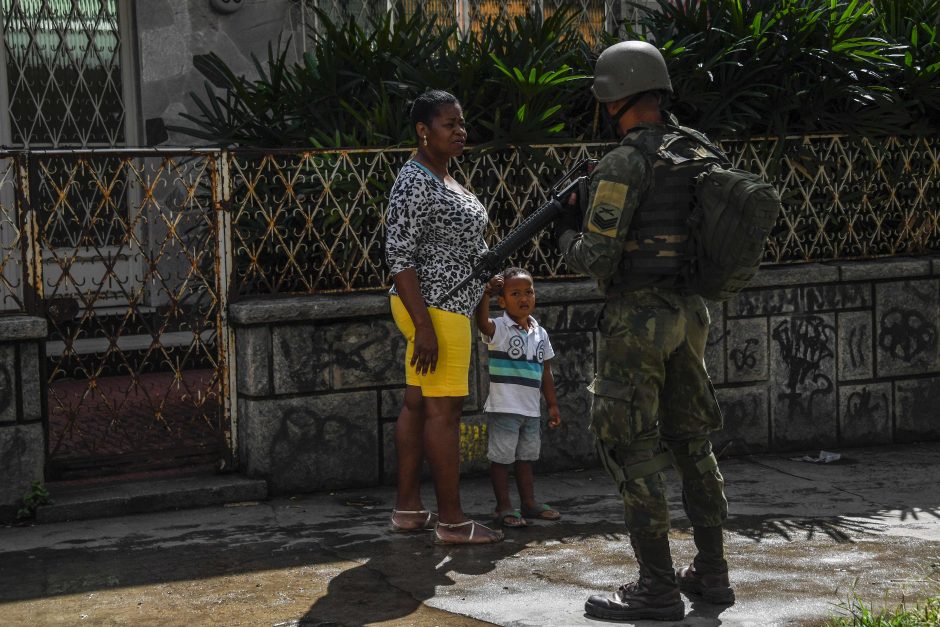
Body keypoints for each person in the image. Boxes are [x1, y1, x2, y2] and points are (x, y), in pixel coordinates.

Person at [554, 41, 735, 621]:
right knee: (693, 442)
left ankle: (656, 587)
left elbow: (597, 258)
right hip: (690, 315)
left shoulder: (624, 163)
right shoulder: (701, 150)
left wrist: (565, 232)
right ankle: (712, 573)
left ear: (614, 97)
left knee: (632, 449)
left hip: (637, 323)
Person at [384, 89, 504, 545]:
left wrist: (483, 284)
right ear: (422, 130)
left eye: (461, 123)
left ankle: (408, 511)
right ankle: (452, 522)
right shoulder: (414, 180)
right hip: (434, 307)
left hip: (449, 302)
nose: (460, 131)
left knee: (418, 405)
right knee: (444, 413)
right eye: (449, 124)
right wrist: (425, 326)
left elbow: (456, 247)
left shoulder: (446, 178)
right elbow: (400, 254)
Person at [474, 267, 562, 528]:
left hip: (531, 410)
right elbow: (482, 323)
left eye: (528, 292)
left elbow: (546, 371)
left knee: (526, 458)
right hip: (504, 408)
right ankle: (503, 507)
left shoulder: (540, 332)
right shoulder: (499, 327)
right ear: (502, 301)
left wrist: (553, 404)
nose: (524, 298)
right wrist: (485, 296)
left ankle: (529, 503)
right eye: (515, 293)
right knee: (502, 459)